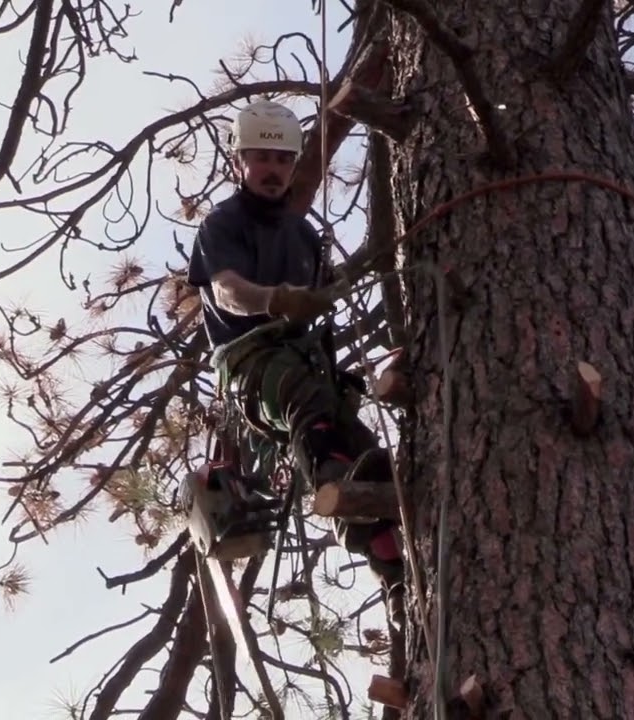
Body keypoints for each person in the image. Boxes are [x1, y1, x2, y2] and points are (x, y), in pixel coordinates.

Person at [185, 98, 405, 628]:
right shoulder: (223, 223)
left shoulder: (307, 238)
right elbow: (227, 290)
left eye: (282, 160)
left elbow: (326, 298)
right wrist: (277, 299)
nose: (272, 170)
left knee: (364, 448)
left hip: (305, 362)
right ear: (241, 161)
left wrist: (337, 288)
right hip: (250, 360)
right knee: (306, 401)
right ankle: (335, 483)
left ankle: (395, 573)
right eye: (261, 157)